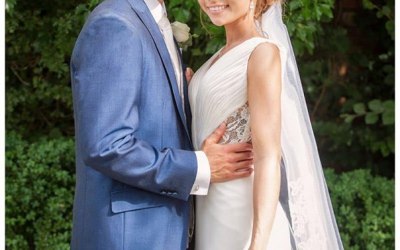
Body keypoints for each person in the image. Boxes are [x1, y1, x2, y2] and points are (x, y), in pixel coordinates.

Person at [69, 0, 254, 249]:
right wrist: (199, 167)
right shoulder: (115, 23)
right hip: (131, 237)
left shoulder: (153, 21)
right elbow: (107, 144)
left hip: (171, 229)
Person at [189, 0, 344, 249]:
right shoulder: (218, 56)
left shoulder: (262, 53)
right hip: (210, 206)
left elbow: (268, 156)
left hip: (240, 215)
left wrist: (257, 243)